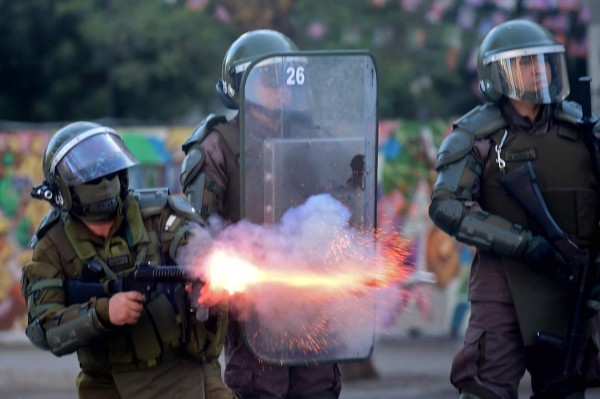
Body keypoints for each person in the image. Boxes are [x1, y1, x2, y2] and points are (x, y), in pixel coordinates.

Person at [429, 19, 600, 399]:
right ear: (498, 73)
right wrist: (522, 244)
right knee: (484, 391)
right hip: (501, 290)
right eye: (524, 62)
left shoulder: (584, 130)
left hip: (569, 289)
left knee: (565, 390)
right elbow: (446, 206)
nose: (537, 70)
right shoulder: (477, 136)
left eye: (542, 61)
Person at [21, 121, 237, 399]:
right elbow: (45, 328)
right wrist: (103, 313)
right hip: (108, 383)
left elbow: (189, 237)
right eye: (92, 178)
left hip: (183, 370)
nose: (104, 183)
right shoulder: (51, 246)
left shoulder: (156, 215)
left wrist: (204, 265)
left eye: (109, 173)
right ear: (64, 189)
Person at [180, 29, 342, 399]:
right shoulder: (217, 146)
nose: (284, 90)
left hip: (310, 300)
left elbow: (345, 207)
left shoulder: (314, 138)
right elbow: (197, 233)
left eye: (289, 78)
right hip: (253, 306)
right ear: (242, 84)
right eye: (271, 80)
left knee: (318, 389)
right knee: (260, 391)